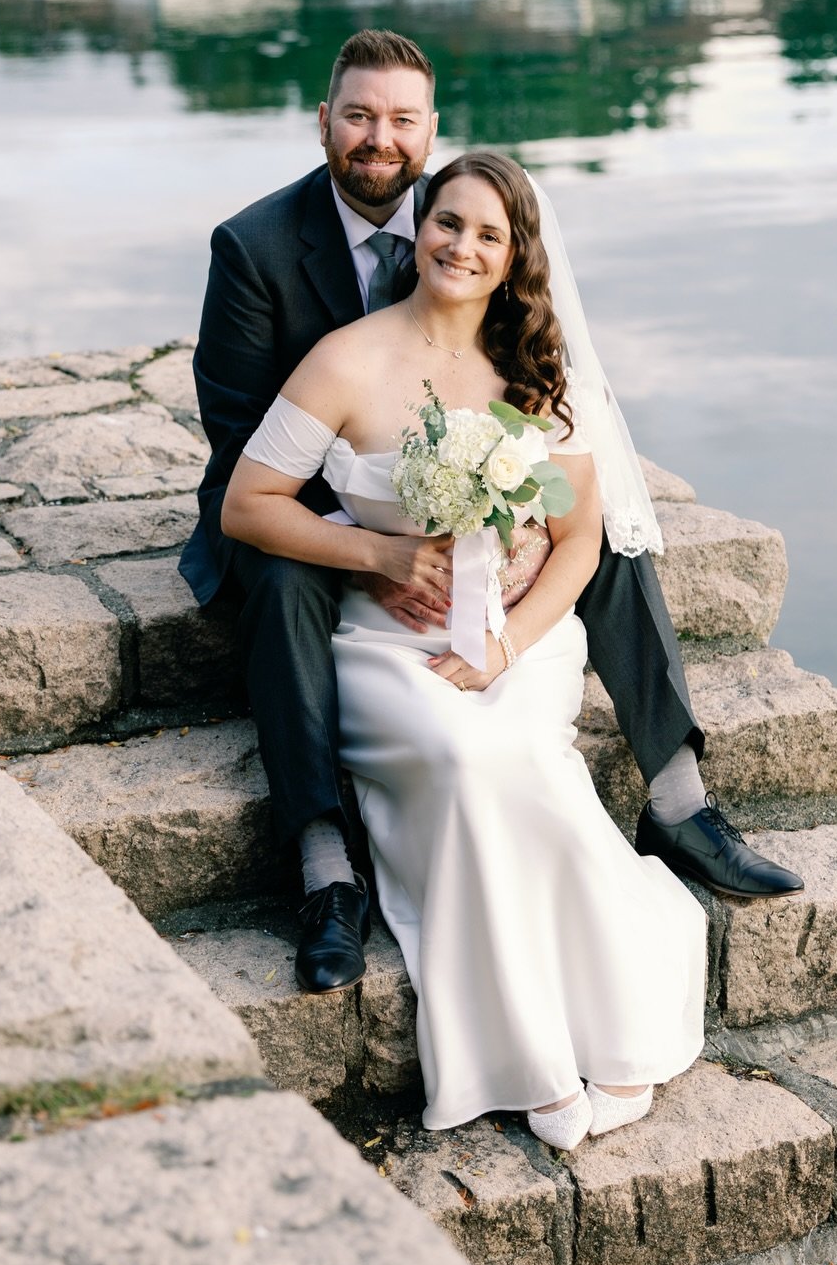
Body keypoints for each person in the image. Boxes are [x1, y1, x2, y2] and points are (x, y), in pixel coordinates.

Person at [180, 30, 801, 999]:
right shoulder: (253, 250)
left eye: (401, 122)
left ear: (430, 134)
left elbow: (523, 427)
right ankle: (324, 866)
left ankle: (677, 798)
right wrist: (387, 548)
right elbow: (243, 475)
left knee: (602, 520)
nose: (378, 140)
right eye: (358, 117)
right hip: (319, 514)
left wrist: (503, 534)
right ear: (324, 124)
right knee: (283, 575)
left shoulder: (455, 228)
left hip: (458, 522)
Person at [220, 152, 706, 1146]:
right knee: (459, 754)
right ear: (420, 228)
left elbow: (577, 539)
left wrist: (509, 645)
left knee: (515, 750)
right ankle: (523, 1055)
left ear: (516, 254)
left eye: (490, 234)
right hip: (385, 648)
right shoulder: (346, 359)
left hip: (518, 645)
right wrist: (378, 550)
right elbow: (246, 506)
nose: (464, 247)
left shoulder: (532, 364)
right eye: (450, 223)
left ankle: (615, 1018)